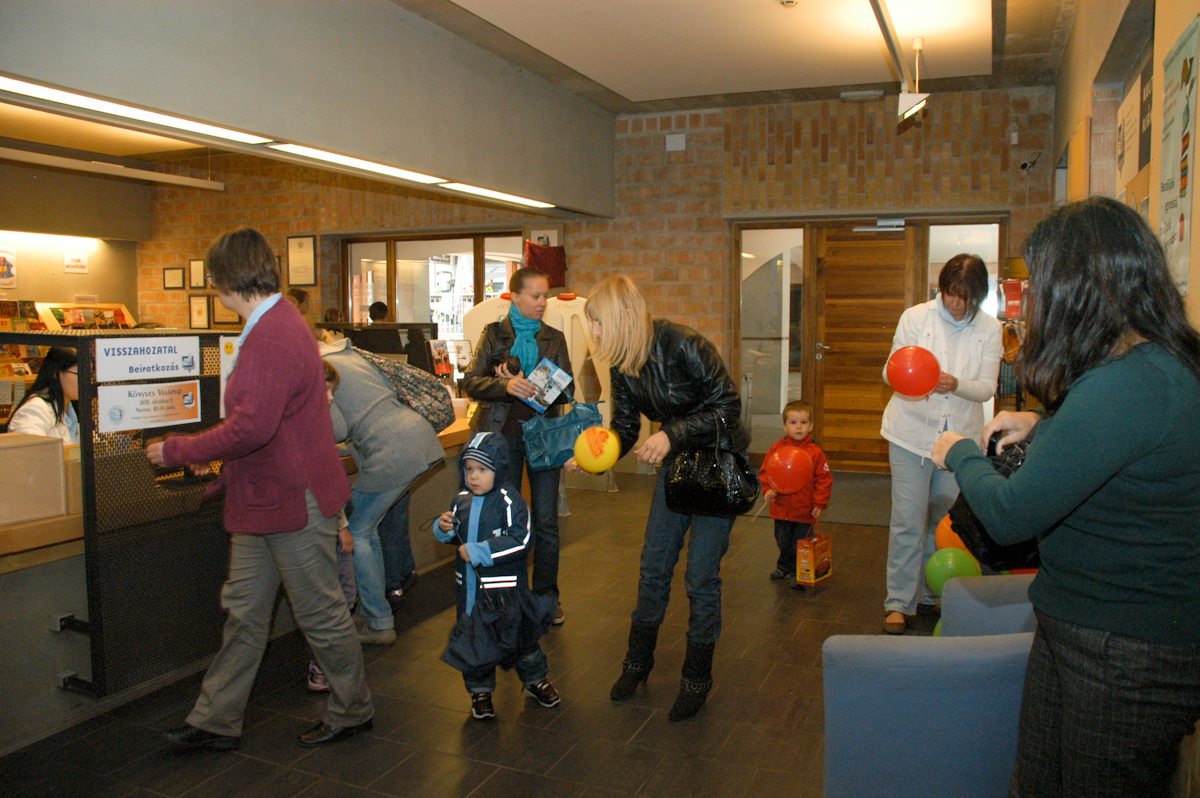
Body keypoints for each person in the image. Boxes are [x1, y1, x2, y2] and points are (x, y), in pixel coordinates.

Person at [932, 197, 1200, 797]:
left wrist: (961, 454)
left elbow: (1010, 515)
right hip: (1089, 627)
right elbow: (1120, 442)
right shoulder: (1155, 364)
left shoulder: (1126, 385)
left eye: (1042, 284)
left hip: (1122, 650)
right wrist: (1043, 425)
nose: (1034, 302)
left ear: (1079, 288)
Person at [146, 227, 373, 750]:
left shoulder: (272, 333)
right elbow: (266, 427)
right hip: (267, 498)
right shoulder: (276, 323)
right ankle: (215, 720)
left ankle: (353, 709)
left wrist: (179, 450)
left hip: (293, 499)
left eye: (213, 278)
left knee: (319, 613)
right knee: (244, 613)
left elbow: (252, 427)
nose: (212, 287)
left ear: (227, 278)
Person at [566, 275, 751, 721]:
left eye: (598, 322)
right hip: (677, 462)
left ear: (623, 316)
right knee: (653, 567)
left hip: (718, 463)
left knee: (700, 577)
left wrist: (672, 434)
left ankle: (696, 677)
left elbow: (729, 408)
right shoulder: (622, 362)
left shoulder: (684, 344)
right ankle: (637, 663)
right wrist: (597, 459)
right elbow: (626, 427)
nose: (594, 333)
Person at [879, 253, 1002, 635]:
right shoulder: (916, 317)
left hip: (958, 442)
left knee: (945, 521)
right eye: (950, 293)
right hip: (910, 434)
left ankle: (934, 592)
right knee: (907, 520)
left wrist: (956, 384)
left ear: (978, 295)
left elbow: (987, 388)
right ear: (941, 288)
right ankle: (899, 601)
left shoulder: (990, 328)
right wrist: (911, 376)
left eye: (965, 296)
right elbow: (890, 371)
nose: (956, 303)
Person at [462, 267, 572, 625]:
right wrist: (506, 387)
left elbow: (567, 389)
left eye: (545, 296)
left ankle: (546, 598)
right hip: (501, 437)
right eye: (536, 296)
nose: (542, 303)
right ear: (516, 296)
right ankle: (507, 595)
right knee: (503, 520)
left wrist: (536, 389)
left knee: (546, 523)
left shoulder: (555, 337)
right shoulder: (494, 334)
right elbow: (471, 382)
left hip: (543, 437)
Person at [319, 333, 445, 645]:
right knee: (368, 529)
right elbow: (370, 412)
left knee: (357, 532)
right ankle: (373, 611)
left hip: (391, 452)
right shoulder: (351, 354)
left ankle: (379, 621)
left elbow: (338, 429)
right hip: (417, 434)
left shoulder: (319, 367)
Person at [435, 431, 560, 720]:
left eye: (482, 469)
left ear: (500, 469)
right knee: (474, 646)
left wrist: (480, 551)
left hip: (506, 595)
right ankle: (479, 692)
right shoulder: (460, 501)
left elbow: (521, 540)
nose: (473, 476)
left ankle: (535, 679)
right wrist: (443, 530)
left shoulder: (511, 502)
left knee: (520, 642)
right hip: (470, 595)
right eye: (469, 469)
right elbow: (455, 537)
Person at [307, 361, 357, 693]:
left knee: (345, 594)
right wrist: (340, 526)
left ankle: (333, 662)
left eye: (331, 391)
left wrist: (342, 524)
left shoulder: (319, 426)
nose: (329, 398)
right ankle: (323, 664)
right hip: (317, 528)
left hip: (331, 523)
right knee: (329, 600)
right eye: (324, 389)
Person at [758, 400, 832, 586]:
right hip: (781, 508)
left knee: (800, 542)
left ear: (811, 426)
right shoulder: (777, 449)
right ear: (784, 426)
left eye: (803, 422)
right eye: (793, 422)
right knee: (782, 540)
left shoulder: (816, 453)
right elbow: (766, 471)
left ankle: (799, 572)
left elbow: (824, 480)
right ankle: (784, 565)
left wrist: (819, 503)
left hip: (804, 509)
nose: (799, 427)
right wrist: (767, 489)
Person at [8, 347, 79, 444]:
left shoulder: (71, 410)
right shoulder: (35, 409)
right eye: (79, 374)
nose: (85, 380)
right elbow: (31, 450)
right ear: (56, 373)